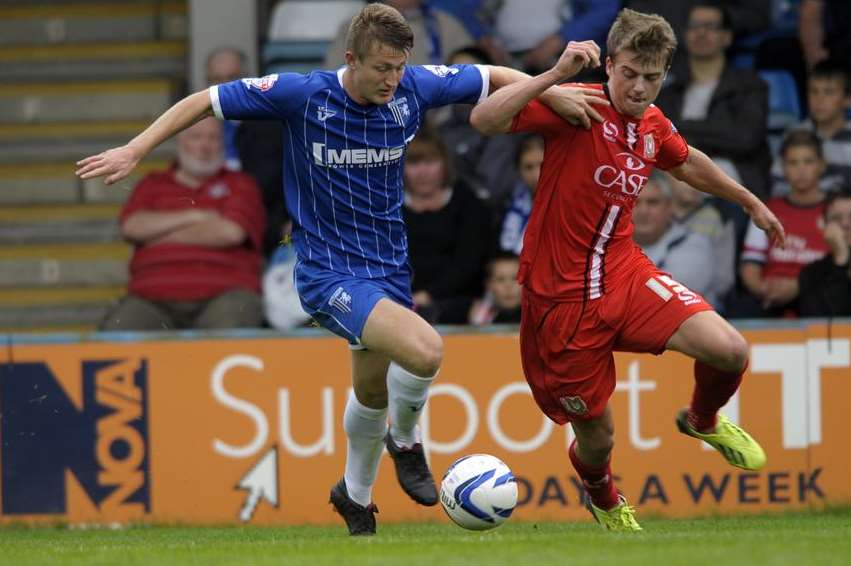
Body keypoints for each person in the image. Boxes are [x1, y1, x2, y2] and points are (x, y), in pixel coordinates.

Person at [75, 3, 609, 536]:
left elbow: (490, 76)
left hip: (389, 269)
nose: (392, 80)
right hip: (326, 272)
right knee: (426, 350)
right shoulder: (302, 94)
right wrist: (137, 147)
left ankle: (353, 496)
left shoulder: (412, 88)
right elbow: (205, 100)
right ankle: (406, 442)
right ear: (351, 58)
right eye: (381, 68)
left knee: (373, 392)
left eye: (400, 67)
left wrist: (551, 89)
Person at [470, 8, 785, 531]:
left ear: (664, 75)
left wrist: (749, 200)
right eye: (630, 74)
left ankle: (702, 420)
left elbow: (684, 160)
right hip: (560, 301)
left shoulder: (653, 123)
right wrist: (552, 79)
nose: (639, 88)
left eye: (652, 78)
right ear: (609, 65)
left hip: (625, 274)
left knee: (731, 351)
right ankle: (605, 497)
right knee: (598, 439)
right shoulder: (579, 106)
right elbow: (483, 120)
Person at [99, 118, 266, 331]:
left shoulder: (241, 184)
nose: (205, 146)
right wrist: (197, 215)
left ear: (223, 143)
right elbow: (132, 227)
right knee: (118, 331)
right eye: (196, 137)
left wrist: (160, 236)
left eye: (213, 138)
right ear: (180, 141)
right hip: (150, 300)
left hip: (225, 296)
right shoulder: (152, 184)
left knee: (231, 328)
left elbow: (230, 232)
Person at [655, 2, 771, 201]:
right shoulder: (668, 91)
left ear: (727, 37)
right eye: (694, 26)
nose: (701, 33)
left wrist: (683, 129)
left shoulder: (750, 87)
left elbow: (745, 139)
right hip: (676, 177)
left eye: (710, 27)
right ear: (685, 34)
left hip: (733, 181)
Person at [402, 126, 491, 324]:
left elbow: (469, 262)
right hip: (401, 301)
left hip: (459, 303)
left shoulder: (467, 203)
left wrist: (429, 295)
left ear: (445, 164)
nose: (423, 172)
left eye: (430, 162)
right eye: (414, 163)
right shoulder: (389, 206)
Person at [739, 130, 830, 317]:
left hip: (819, 298)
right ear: (783, 167)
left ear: (821, 165)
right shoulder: (765, 210)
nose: (801, 170)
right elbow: (750, 265)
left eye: (808, 161)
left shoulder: (836, 211)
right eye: (793, 163)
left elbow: (841, 265)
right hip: (768, 299)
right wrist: (764, 289)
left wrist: (800, 286)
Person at [632, 173, 718, 305]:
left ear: (669, 207)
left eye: (652, 202)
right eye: (635, 203)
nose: (643, 211)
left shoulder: (695, 245)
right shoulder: (608, 246)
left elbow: (671, 298)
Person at [770, 59, 851, 197]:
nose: (819, 99)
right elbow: (778, 186)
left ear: (847, 99)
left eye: (828, 92)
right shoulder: (794, 134)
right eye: (814, 91)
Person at [323, 0, 472, 68]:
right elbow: (333, 79)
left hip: (439, 125)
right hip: (370, 119)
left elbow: (472, 74)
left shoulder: (446, 25)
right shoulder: (355, 26)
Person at [667, 172, 736, 309]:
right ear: (666, 177)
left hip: (705, 302)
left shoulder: (717, 219)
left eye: (697, 177)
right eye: (682, 178)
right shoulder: (653, 214)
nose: (691, 184)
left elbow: (724, 278)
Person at [798, 189, 851, 316]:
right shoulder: (811, 274)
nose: (845, 224)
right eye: (836, 218)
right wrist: (841, 259)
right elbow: (823, 321)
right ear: (824, 225)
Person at [498, 135, 544, 254]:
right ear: (518, 170)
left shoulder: (568, 206)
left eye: (542, 165)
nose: (536, 174)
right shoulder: (505, 202)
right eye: (528, 167)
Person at [468, 252, 522, 325]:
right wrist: (475, 325)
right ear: (488, 285)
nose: (508, 286)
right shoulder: (479, 318)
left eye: (515, 279)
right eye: (500, 280)